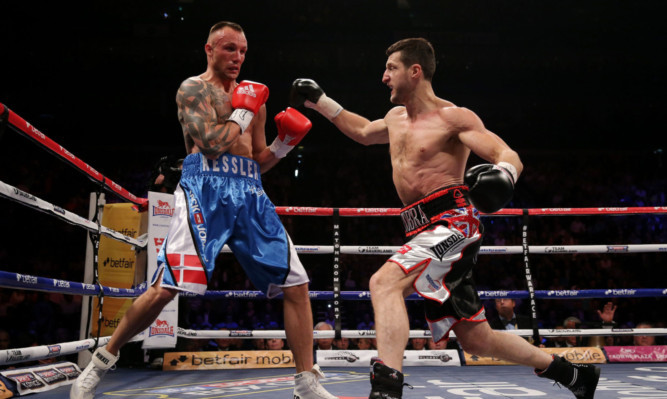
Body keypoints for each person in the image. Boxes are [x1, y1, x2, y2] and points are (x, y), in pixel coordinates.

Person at [290, 37, 600, 399]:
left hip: (454, 222)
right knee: (476, 338)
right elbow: (360, 132)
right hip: (420, 229)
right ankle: (574, 375)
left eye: (391, 68)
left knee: (384, 283)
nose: (384, 77)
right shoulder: (393, 119)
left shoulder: (453, 117)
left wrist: (504, 174)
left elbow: (506, 152)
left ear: (415, 71)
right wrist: (320, 101)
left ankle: (386, 387)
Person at [71, 21, 337, 399]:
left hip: (249, 191)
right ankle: (100, 364)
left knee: (296, 284)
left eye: (243, 51)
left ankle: (305, 382)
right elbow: (211, 145)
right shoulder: (193, 89)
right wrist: (242, 111)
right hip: (204, 189)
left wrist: (283, 144)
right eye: (230, 49)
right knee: (166, 289)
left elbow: (256, 160)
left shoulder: (254, 98)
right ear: (210, 49)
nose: (238, 58)